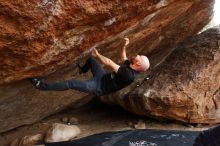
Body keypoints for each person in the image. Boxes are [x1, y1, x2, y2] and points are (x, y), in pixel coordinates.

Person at [31, 38, 150, 96]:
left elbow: (108, 62)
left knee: (70, 84)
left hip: (98, 87)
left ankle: (41, 86)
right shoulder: (131, 66)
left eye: (140, 57)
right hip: (102, 77)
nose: (138, 55)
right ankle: (82, 70)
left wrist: (98, 54)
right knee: (91, 60)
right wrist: (124, 45)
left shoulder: (128, 74)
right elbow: (123, 56)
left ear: (138, 64)